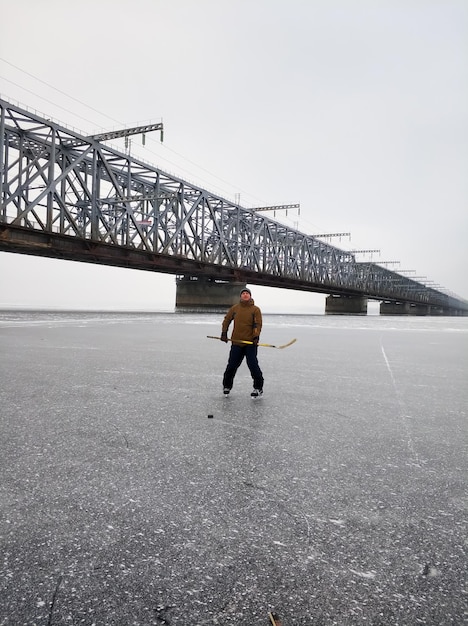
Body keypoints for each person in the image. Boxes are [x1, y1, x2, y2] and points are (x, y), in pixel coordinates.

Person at [221, 287, 264, 397]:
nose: (245, 295)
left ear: (250, 296)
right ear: (240, 296)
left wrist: (255, 337)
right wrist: (224, 333)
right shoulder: (235, 308)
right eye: (243, 293)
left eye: (247, 293)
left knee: (253, 365)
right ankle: (227, 386)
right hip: (236, 342)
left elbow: (257, 324)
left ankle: (258, 388)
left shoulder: (255, 309)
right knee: (231, 366)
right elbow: (227, 320)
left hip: (250, 343)